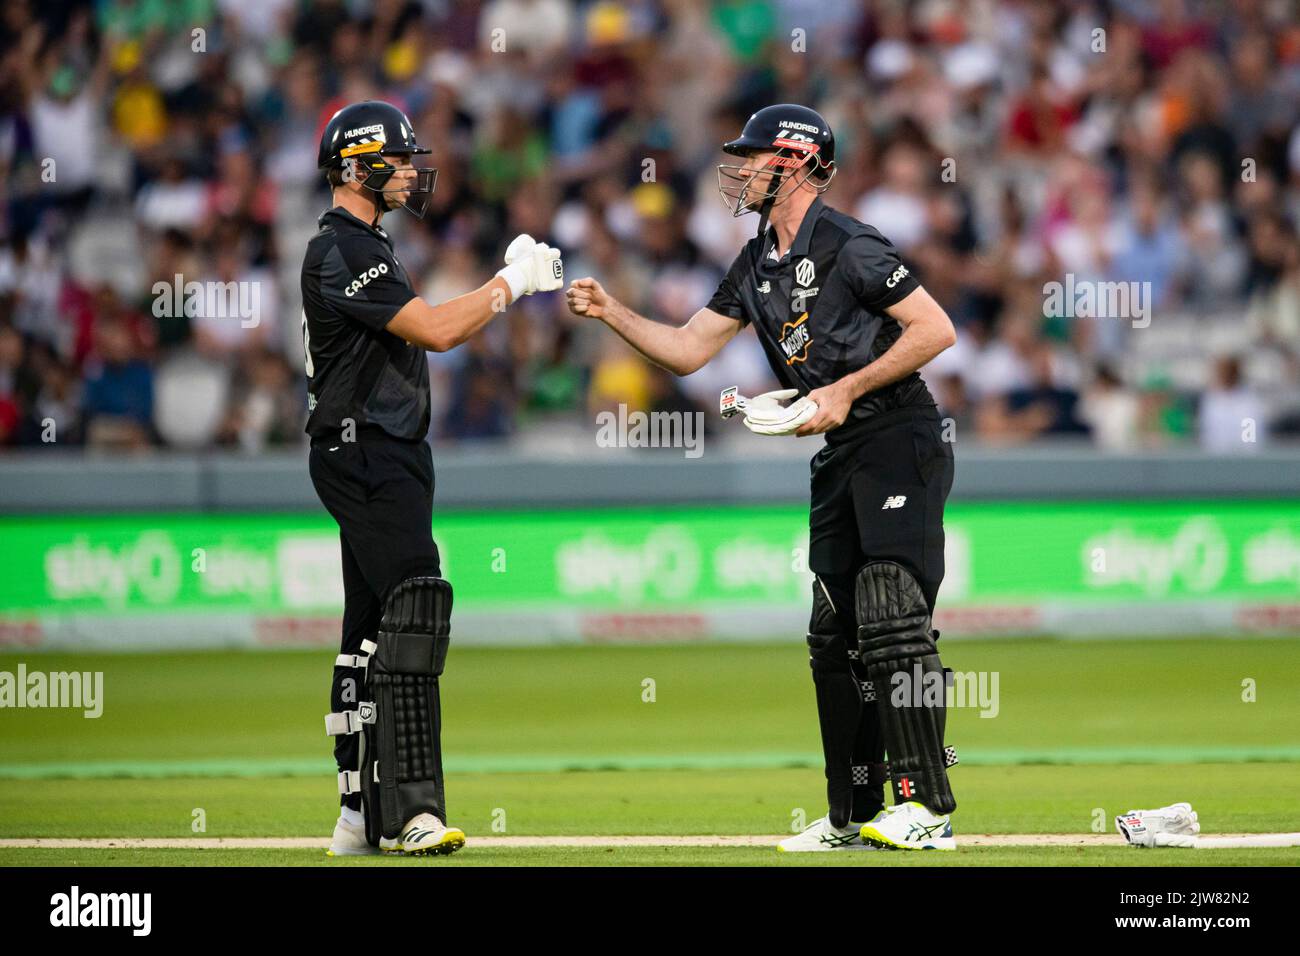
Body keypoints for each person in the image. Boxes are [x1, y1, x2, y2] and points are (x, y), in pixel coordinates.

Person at [567, 104, 960, 851]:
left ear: (794, 163)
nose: (741, 171)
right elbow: (687, 351)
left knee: (891, 611)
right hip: (841, 450)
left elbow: (935, 329)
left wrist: (845, 389)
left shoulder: (851, 244)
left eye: (752, 159)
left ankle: (928, 808)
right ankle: (852, 814)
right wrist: (612, 311)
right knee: (831, 632)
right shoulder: (755, 262)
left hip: (898, 436)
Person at [303, 100, 563, 856]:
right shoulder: (347, 249)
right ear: (357, 166)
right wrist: (510, 283)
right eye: (399, 157)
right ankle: (412, 810)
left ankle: (357, 814)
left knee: (368, 634)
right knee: (417, 605)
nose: (413, 170)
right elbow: (440, 332)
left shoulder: (361, 245)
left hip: (378, 449)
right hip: (368, 451)